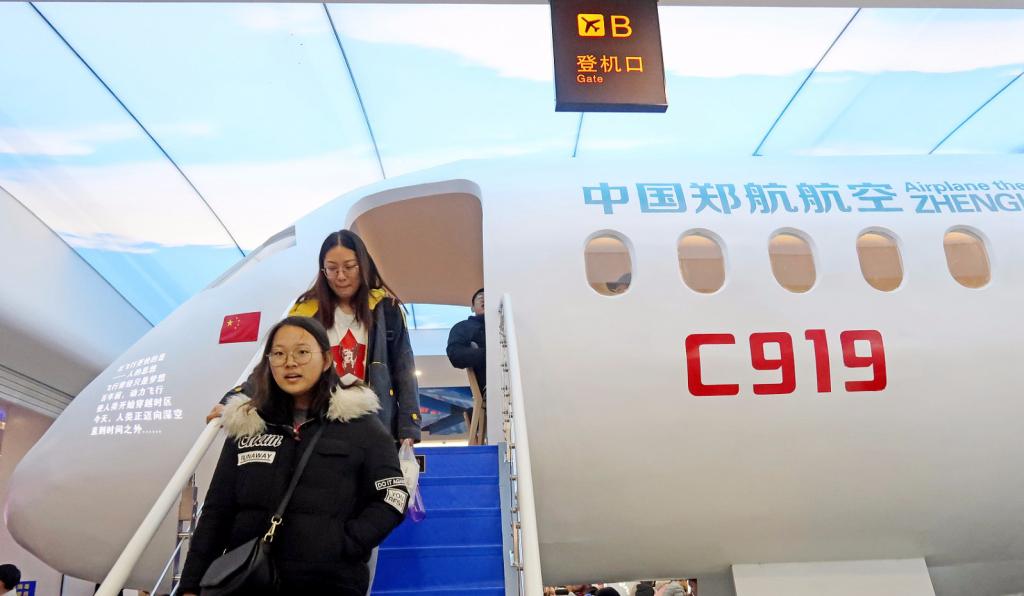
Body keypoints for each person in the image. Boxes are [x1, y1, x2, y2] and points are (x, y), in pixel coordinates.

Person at [179, 316, 408, 596]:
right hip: (249, 582)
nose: (290, 362)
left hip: (330, 583)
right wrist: (190, 586)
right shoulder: (248, 426)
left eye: (302, 352)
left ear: (326, 360)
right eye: (278, 354)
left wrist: (345, 544)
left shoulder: (361, 426)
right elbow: (217, 511)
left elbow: (392, 496)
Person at [212, 230, 421, 447]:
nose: (341, 276)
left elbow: (404, 368)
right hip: (318, 419)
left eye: (349, 267)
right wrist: (232, 400)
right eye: (332, 269)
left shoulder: (386, 309)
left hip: (373, 420)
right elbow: (276, 361)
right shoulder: (305, 310)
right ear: (323, 270)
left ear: (363, 265)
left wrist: (409, 426)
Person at [446, 288, 486, 393]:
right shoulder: (463, 327)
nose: (484, 298)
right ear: (472, 308)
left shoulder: (508, 325)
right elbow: (455, 355)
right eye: (480, 296)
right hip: (488, 385)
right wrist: (488, 353)